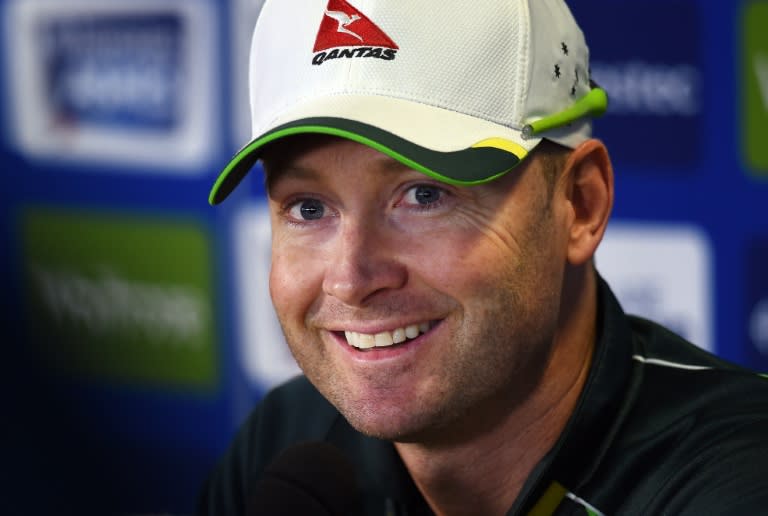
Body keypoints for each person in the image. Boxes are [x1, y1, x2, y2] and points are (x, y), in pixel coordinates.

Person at [198, 0, 768, 514]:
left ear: (579, 204)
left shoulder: (738, 479)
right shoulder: (286, 439)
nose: (351, 279)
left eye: (424, 195)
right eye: (308, 208)